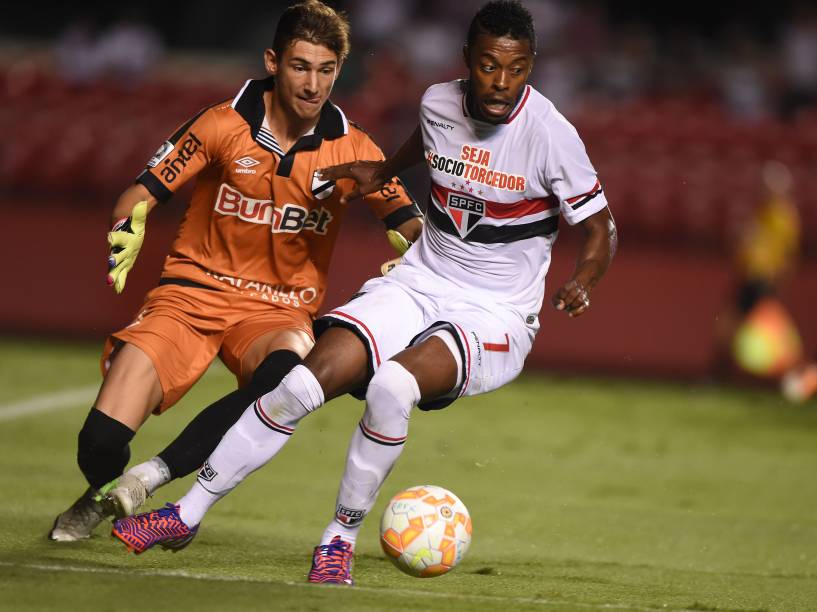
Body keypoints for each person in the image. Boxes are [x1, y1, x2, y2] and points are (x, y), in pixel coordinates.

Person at [112, 0, 617, 587]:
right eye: (488, 66)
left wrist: (582, 279)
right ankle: (184, 514)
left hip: (495, 312)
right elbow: (420, 150)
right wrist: (376, 174)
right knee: (301, 381)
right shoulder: (438, 102)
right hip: (422, 278)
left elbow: (601, 228)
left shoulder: (552, 135)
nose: (501, 84)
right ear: (467, 62)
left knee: (392, 384)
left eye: (517, 69)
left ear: (531, 66)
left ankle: (338, 541)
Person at [49, 0, 422, 542]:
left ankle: (161, 489)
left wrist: (410, 251)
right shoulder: (222, 123)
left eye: (325, 70)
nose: (313, 84)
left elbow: (409, 222)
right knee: (99, 443)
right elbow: (141, 192)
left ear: (338, 71)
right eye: (300, 66)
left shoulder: (355, 147)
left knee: (287, 375)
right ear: (273, 61)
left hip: (278, 311)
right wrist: (128, 223)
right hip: (189, 296)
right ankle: (104, 490)